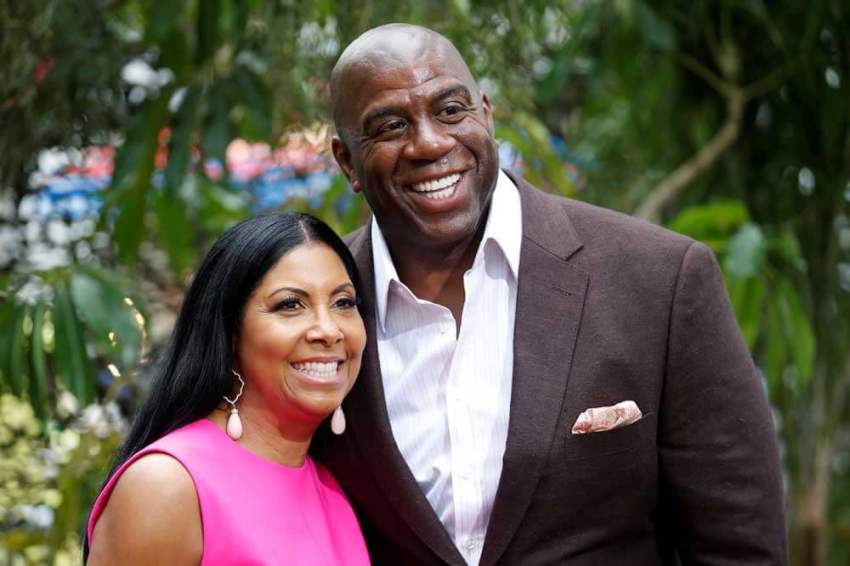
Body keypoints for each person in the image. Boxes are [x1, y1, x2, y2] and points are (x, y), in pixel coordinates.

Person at [313, 23, 787, 565]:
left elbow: (740, 547)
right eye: (391, 125)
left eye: (450, 110)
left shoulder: (660, 278)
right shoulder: (312, 309)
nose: (430, 143)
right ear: (347, 161)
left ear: (486, 116)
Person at [86, 213, 370, 565]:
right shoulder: (166, 484)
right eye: (290, 305)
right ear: (230, 331)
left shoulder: (330, 485)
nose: (328, 330)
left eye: (343, 303)